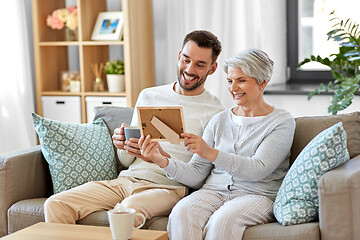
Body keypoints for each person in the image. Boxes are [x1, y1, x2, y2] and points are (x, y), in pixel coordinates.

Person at [43, 30, 226, 225]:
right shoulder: (149, 96)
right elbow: (126, 159)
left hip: (169, 188)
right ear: (179, 56)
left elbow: (199, 177)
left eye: (200, 65)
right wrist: (122, 144)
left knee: (126, 211)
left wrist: (163, 158)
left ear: (212, 68)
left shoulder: (216, 112)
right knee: (56, 203)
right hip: (127, 180)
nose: (189, 69)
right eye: (186, 59)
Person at [138, 49, 296, 239]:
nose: (233, 88)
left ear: (262, 82)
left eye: (241, 80)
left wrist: (211, 153)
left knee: (223, 220)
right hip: (213, 191)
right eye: (230, 81)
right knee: (182, 212)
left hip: (258, 195)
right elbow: (196, 173)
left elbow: (258, 169)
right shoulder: (219, 120)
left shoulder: (281, 121)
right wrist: (161, 159)